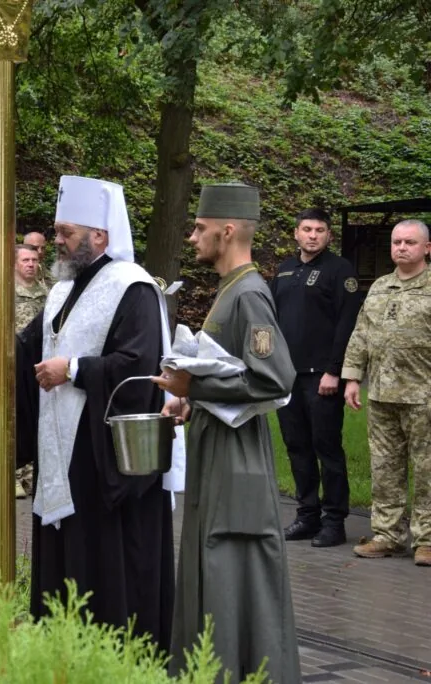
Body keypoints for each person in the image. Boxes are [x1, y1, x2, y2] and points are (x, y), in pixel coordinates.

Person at [0, 176, 176, 649]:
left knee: (103, 557)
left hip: (100, 454)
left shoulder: (133, 287)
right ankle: (60, 648)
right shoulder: (63, 290)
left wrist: (75, 369)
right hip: (59, 446)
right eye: (57, 231)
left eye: (67, 232)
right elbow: (29, 346)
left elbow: (140, 365)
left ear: (99, 235)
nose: (57, 240)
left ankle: (114, 651)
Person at [153, 182, 300, 683]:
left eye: (200, 228)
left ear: (228, 231)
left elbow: (274, 378)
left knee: (233, 565)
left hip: (238, 457)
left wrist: (194, 383)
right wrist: (190, 398)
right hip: (219, 447)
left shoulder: (250, 293)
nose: (193, 237)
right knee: (213, 560)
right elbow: (232, 370)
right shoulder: (230, 289)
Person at [270, 208, 362, 547]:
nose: (312, 235)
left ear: (328, 235)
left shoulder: (340, 270)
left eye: (319, 230)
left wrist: (334, 371)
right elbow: (271, 320)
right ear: (296, 233)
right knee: (297, 447)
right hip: (288, 376)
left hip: (322, 379)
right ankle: (307, 516)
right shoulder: (284, 271)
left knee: (327, 449)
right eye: (306, 229)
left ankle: (334, 522)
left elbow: (347, 323)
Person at [343, 219, 431, 567]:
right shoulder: (380, 287)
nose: (401, 247)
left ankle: (427, 540)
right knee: (384, 468)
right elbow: (361, 334)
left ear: (427, 248)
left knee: (427, 471)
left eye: (410, 242)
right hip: (381, 395)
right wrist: (353, 378)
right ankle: (387, 535)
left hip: (423, 396)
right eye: (397, 242)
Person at [12, 243, 48, 498]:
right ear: (14, 263)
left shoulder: (47, 292)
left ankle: (32, 475)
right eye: (25, 260)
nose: (31, 264)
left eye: (34, 260)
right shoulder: (5, 293)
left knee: (36, 414)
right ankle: (14, 474)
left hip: (39, 362)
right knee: (16, 415)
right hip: (13, 360)